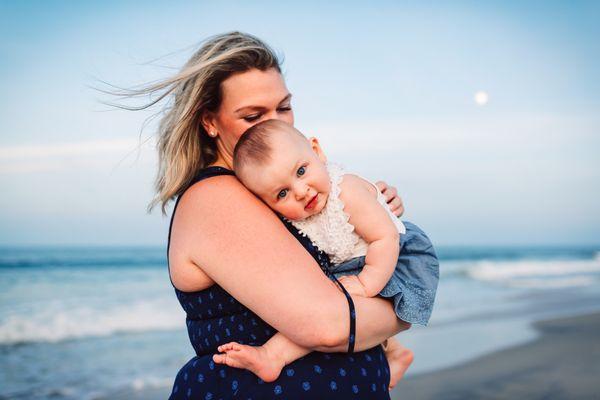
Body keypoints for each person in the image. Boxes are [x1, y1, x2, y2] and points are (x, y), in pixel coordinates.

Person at [127, 31, 413, 399]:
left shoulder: (274, 194)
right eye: (252, 115)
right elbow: (326, 325)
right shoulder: (215, 197)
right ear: (209, 122)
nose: (276, 124)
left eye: (284, 107)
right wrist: (408, 305)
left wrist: (368, 203)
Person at [212, 120, 439, 383]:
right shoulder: (296, 214)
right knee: (315, 305)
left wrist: (367, 285)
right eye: (282, 193)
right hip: (356, 261)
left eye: (301, 171)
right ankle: (394, 354)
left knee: (333, 308)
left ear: (317, 151)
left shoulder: (347, 192)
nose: (300, 191)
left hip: (395, 256)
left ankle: (274, 356)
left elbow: (384, 237)